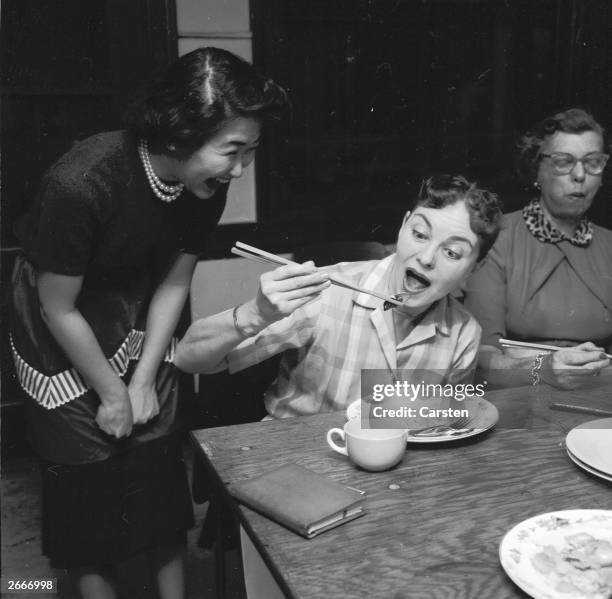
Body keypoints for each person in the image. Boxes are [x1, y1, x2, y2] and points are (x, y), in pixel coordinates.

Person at [9, 47, 288, 599]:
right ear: (180, 133)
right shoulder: (81, 182)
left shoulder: (207, 185)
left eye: (250, 151)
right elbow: (56, 306)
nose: (239, 169)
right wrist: (113, 394)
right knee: (87, 498)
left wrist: (140, 382)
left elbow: (174, 283)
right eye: (231, 150)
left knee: (159, 474)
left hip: (138, 309)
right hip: (60, 323)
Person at [175, 174, 502, 417]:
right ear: (402, 227)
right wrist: (255, 314)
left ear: (475, 266)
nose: (427, 257)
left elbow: (444, 426)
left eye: (453, 253)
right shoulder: (326, 290)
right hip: (295, 461)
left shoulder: (463, 334)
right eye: (419, 234)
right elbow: (189, 358)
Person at [464, 108, 611, 389]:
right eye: (563, 162)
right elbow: (482, 360)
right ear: (536, 170)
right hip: (519, 395)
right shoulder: (499, 238)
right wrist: (541, 370)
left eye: (593, 162)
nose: (580, 175)